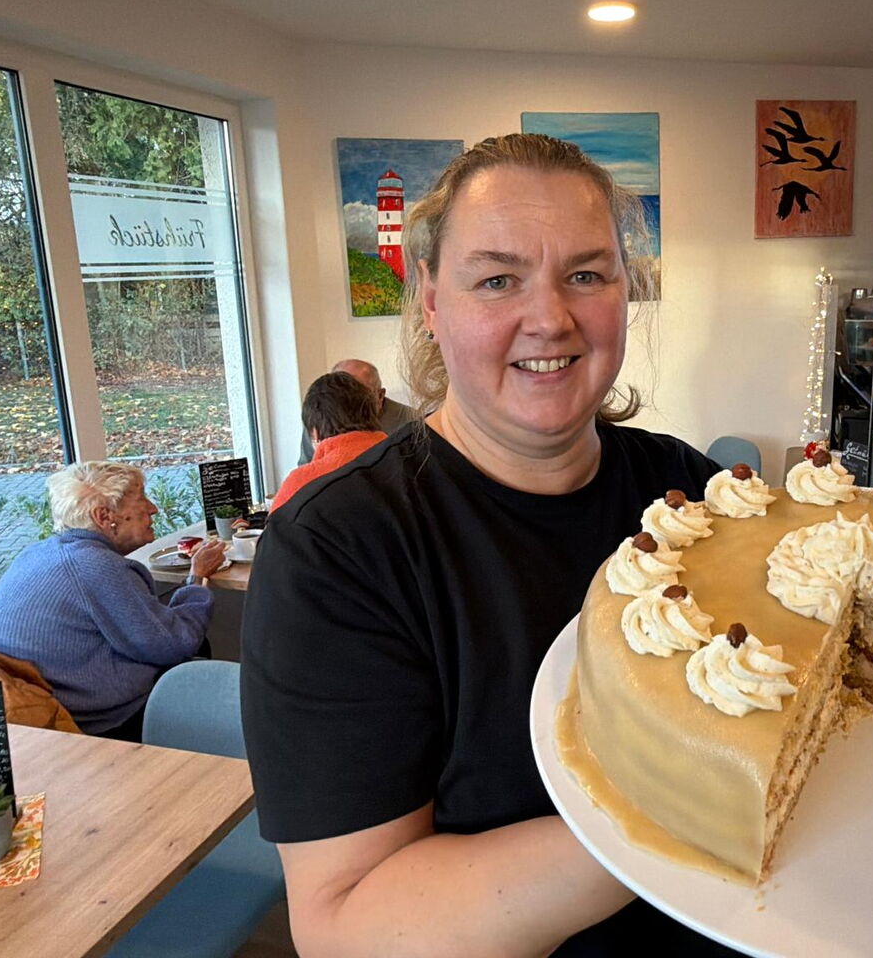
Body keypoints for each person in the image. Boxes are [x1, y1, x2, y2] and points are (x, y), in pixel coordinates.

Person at [241, 134, 735, 955]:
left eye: (586, 274)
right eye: (498, 279)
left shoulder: (685, 489)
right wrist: (686, 813)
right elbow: (346, 926)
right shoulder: (339, 548)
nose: (550, 317)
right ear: (431, 303)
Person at [0, 461, 227, 741]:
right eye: (141, 498)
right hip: (99, 721)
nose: (153, 508)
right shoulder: (95, 566)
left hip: (47, 707)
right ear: (104, 515)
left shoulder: (39, 553)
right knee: (198, 659)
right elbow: (173, 644)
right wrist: (197, 578)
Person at [270, 371, 387, 511]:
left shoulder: (301, 484)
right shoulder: (408, 460)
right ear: (373, 413)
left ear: (315, 432)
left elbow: (275, 531)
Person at [297, 358, 415, 464]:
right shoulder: (319, 420)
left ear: (380, 395)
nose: (350, 401)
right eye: (339, 394)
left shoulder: (412, 421)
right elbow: (307, 467)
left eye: (361, 394)